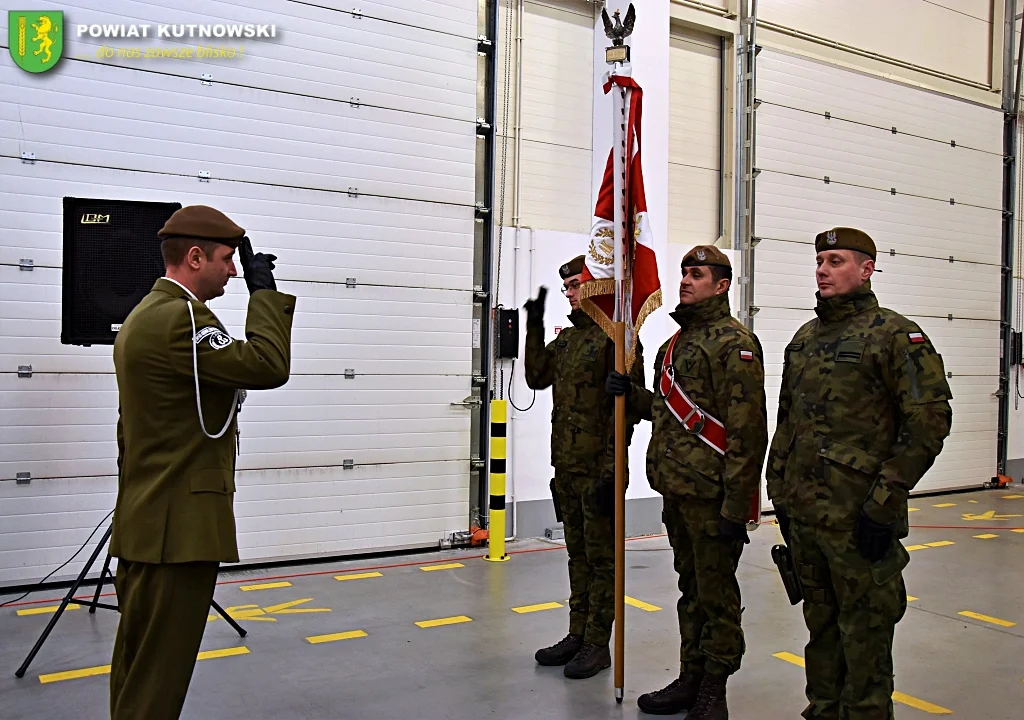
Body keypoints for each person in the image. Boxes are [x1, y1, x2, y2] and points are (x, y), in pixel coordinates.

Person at [108, 205, 296, 720]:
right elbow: (267, 365)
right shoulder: (179, 319)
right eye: (227, 259)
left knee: (138, 671)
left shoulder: (145, 314)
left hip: (150, 524)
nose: (234, 270)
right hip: (177, 533)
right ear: (195, 257)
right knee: (157, 684)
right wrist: (265, 295)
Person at [766, 227, 952, 720]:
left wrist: (884, 500)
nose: (823, 270)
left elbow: (930, 422)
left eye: (836, 261)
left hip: (859, 519)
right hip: (806, 518)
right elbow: (787, 422)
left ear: (867, 269)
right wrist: (777, 490)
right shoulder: (804, 339)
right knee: (821, 626)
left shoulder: (895, 335)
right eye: (820, 261)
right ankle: (824, 708)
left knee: (866, 632)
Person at [608, 245, 767, 719]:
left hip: (713, 497)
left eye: (696, 274)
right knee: (691, 591)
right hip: (678, 491)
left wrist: (737, 508)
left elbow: (746, 433)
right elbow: (665, 412)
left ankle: (713, 692)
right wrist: (630, 394)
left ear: (721, 285)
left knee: (716, 597)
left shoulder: (733, 343)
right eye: (683, 273)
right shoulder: (674, 344)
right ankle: (690, 676)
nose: (685, 280)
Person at [523, 254, 645, 679]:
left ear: (596, 287)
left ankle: (598, 643)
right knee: (577, 556)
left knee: (602, 560)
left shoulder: (618, 337)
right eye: (567, 288)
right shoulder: (570, 340)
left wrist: (611, 471)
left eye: (575, 285)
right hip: (569, 469)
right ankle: (577, 633)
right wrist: (533, 326)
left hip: (600, 473)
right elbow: (536, 377)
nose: (570, 294)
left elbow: (630, 411)